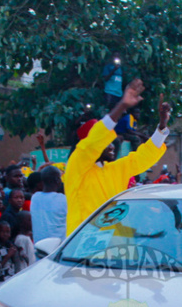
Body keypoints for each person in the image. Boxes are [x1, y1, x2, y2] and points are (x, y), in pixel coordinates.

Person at [64, 79, 171, 234]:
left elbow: (142, 158)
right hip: (81, 251)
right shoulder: (76, 166)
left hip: (116, 249)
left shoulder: (115, 169)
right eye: (107, 142)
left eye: (112, 142)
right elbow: (92, 144)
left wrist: (161, 127)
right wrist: (122, 105)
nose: (112, 146)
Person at [30, 166, 67, 242]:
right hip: (59, 248)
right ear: (57, 180)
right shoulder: (63, 199)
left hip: (39, 248)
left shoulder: (35, 198)